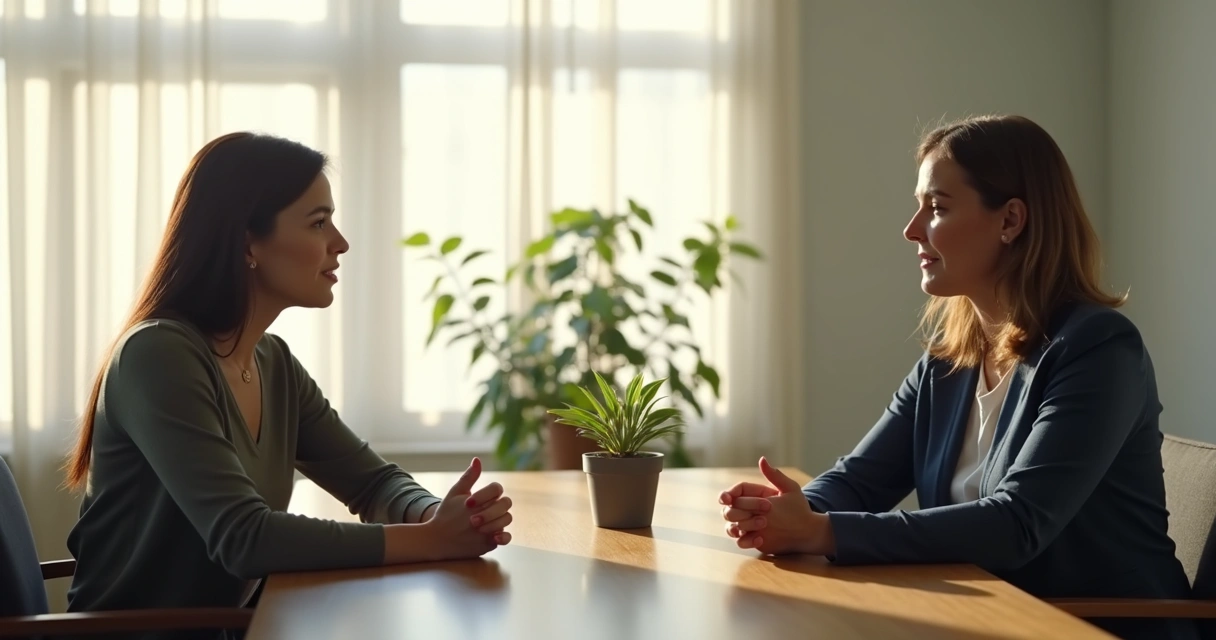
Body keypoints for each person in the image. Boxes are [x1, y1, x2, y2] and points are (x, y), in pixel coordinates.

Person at [718, 115, 1199, 640]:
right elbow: (860, 480)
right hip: (991, 619)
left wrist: (821, 532)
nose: (912, 229)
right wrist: (785, 512)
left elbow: (1017, 523)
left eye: (937, 208)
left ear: (1010, 220)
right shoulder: (948, 361)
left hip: (1096, 626)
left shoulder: (1098, 348)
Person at [62, 132, 513, 638]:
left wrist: (439, 514)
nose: (340, 243)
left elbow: (371, 482)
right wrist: (432, 540)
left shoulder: (272, 362)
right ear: (246, 242)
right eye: (318, 223)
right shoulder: (158, 355)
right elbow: (245, 538)